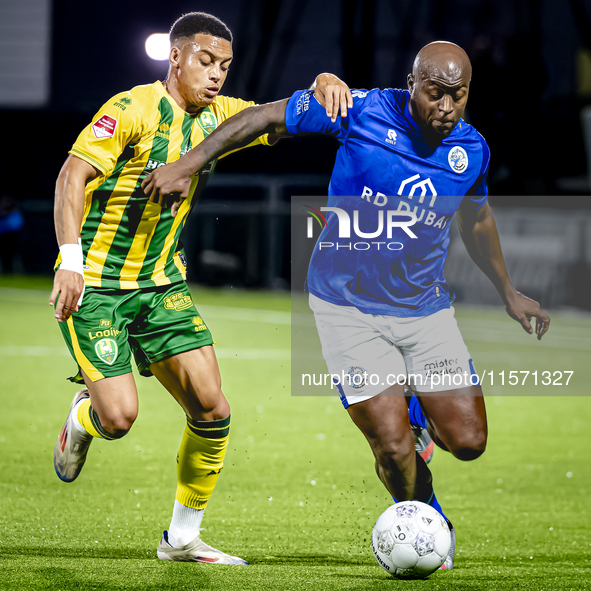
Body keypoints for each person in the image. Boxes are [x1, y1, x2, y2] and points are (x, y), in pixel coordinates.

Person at [141, 41, 550, 570]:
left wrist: (509, 293)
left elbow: (476, 220)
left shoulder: (470, 150)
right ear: (412, 85)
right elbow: (263, 118)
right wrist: (187, 164)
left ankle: (418, 408)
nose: (446, 107)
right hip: (346, 310)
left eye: (459, 96)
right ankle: (427, 517)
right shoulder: (359, 110)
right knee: (394, 448)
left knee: (469, 442)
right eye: (435, 94)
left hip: (425, 312)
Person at [50, 11, 349, 565]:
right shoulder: (131, 109)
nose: (216, 75)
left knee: (212, 409)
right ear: (176, 58)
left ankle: (182, 539)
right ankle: (80, 418)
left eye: (225, 67)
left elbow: (274, 118)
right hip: (96, 286)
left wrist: (320, 85)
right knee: (118, 419)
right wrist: (69, 261)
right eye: (206, 62)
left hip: (162, 285)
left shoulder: (219, 118)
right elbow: (72, 177)